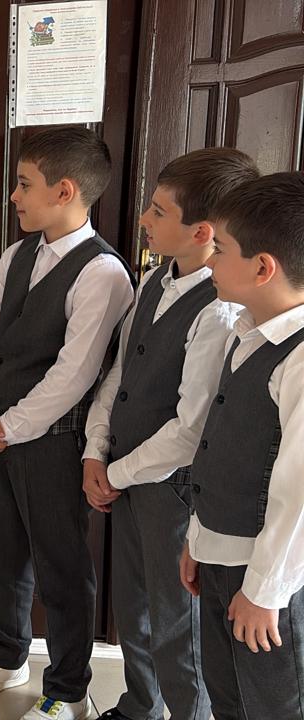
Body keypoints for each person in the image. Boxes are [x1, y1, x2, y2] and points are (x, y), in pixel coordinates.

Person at [0, 127, 136, 720]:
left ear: (65, 191)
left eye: (24, 184)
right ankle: (6, 657)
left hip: (54, 445)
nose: (13, 196)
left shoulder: (103, 273)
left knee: (61, 568)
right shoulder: (17, 255)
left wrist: (0, 429)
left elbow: (73, 376)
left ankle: (68, 688)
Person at [82, 148, 258, 720]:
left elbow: (189, 430)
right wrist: (95, 451)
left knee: (178, 626)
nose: (144, 219)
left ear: (202, 231)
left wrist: (116, 472)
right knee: (133, 608)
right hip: (127, 477)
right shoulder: (155, 278)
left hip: (173, 491)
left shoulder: (219, 311)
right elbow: (120, 374)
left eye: (158, 212)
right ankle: (140, 706)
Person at [182, 171, 304, 718]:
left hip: (268, 579)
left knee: (273, 705)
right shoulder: (247, 331)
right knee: (227, 696)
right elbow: (221, 446)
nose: (210, 261)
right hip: (222, 557)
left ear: (262, 268)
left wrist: (265, 592)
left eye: (222, 249)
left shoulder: (298, 357)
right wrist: (198, 538)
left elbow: (298, 494)